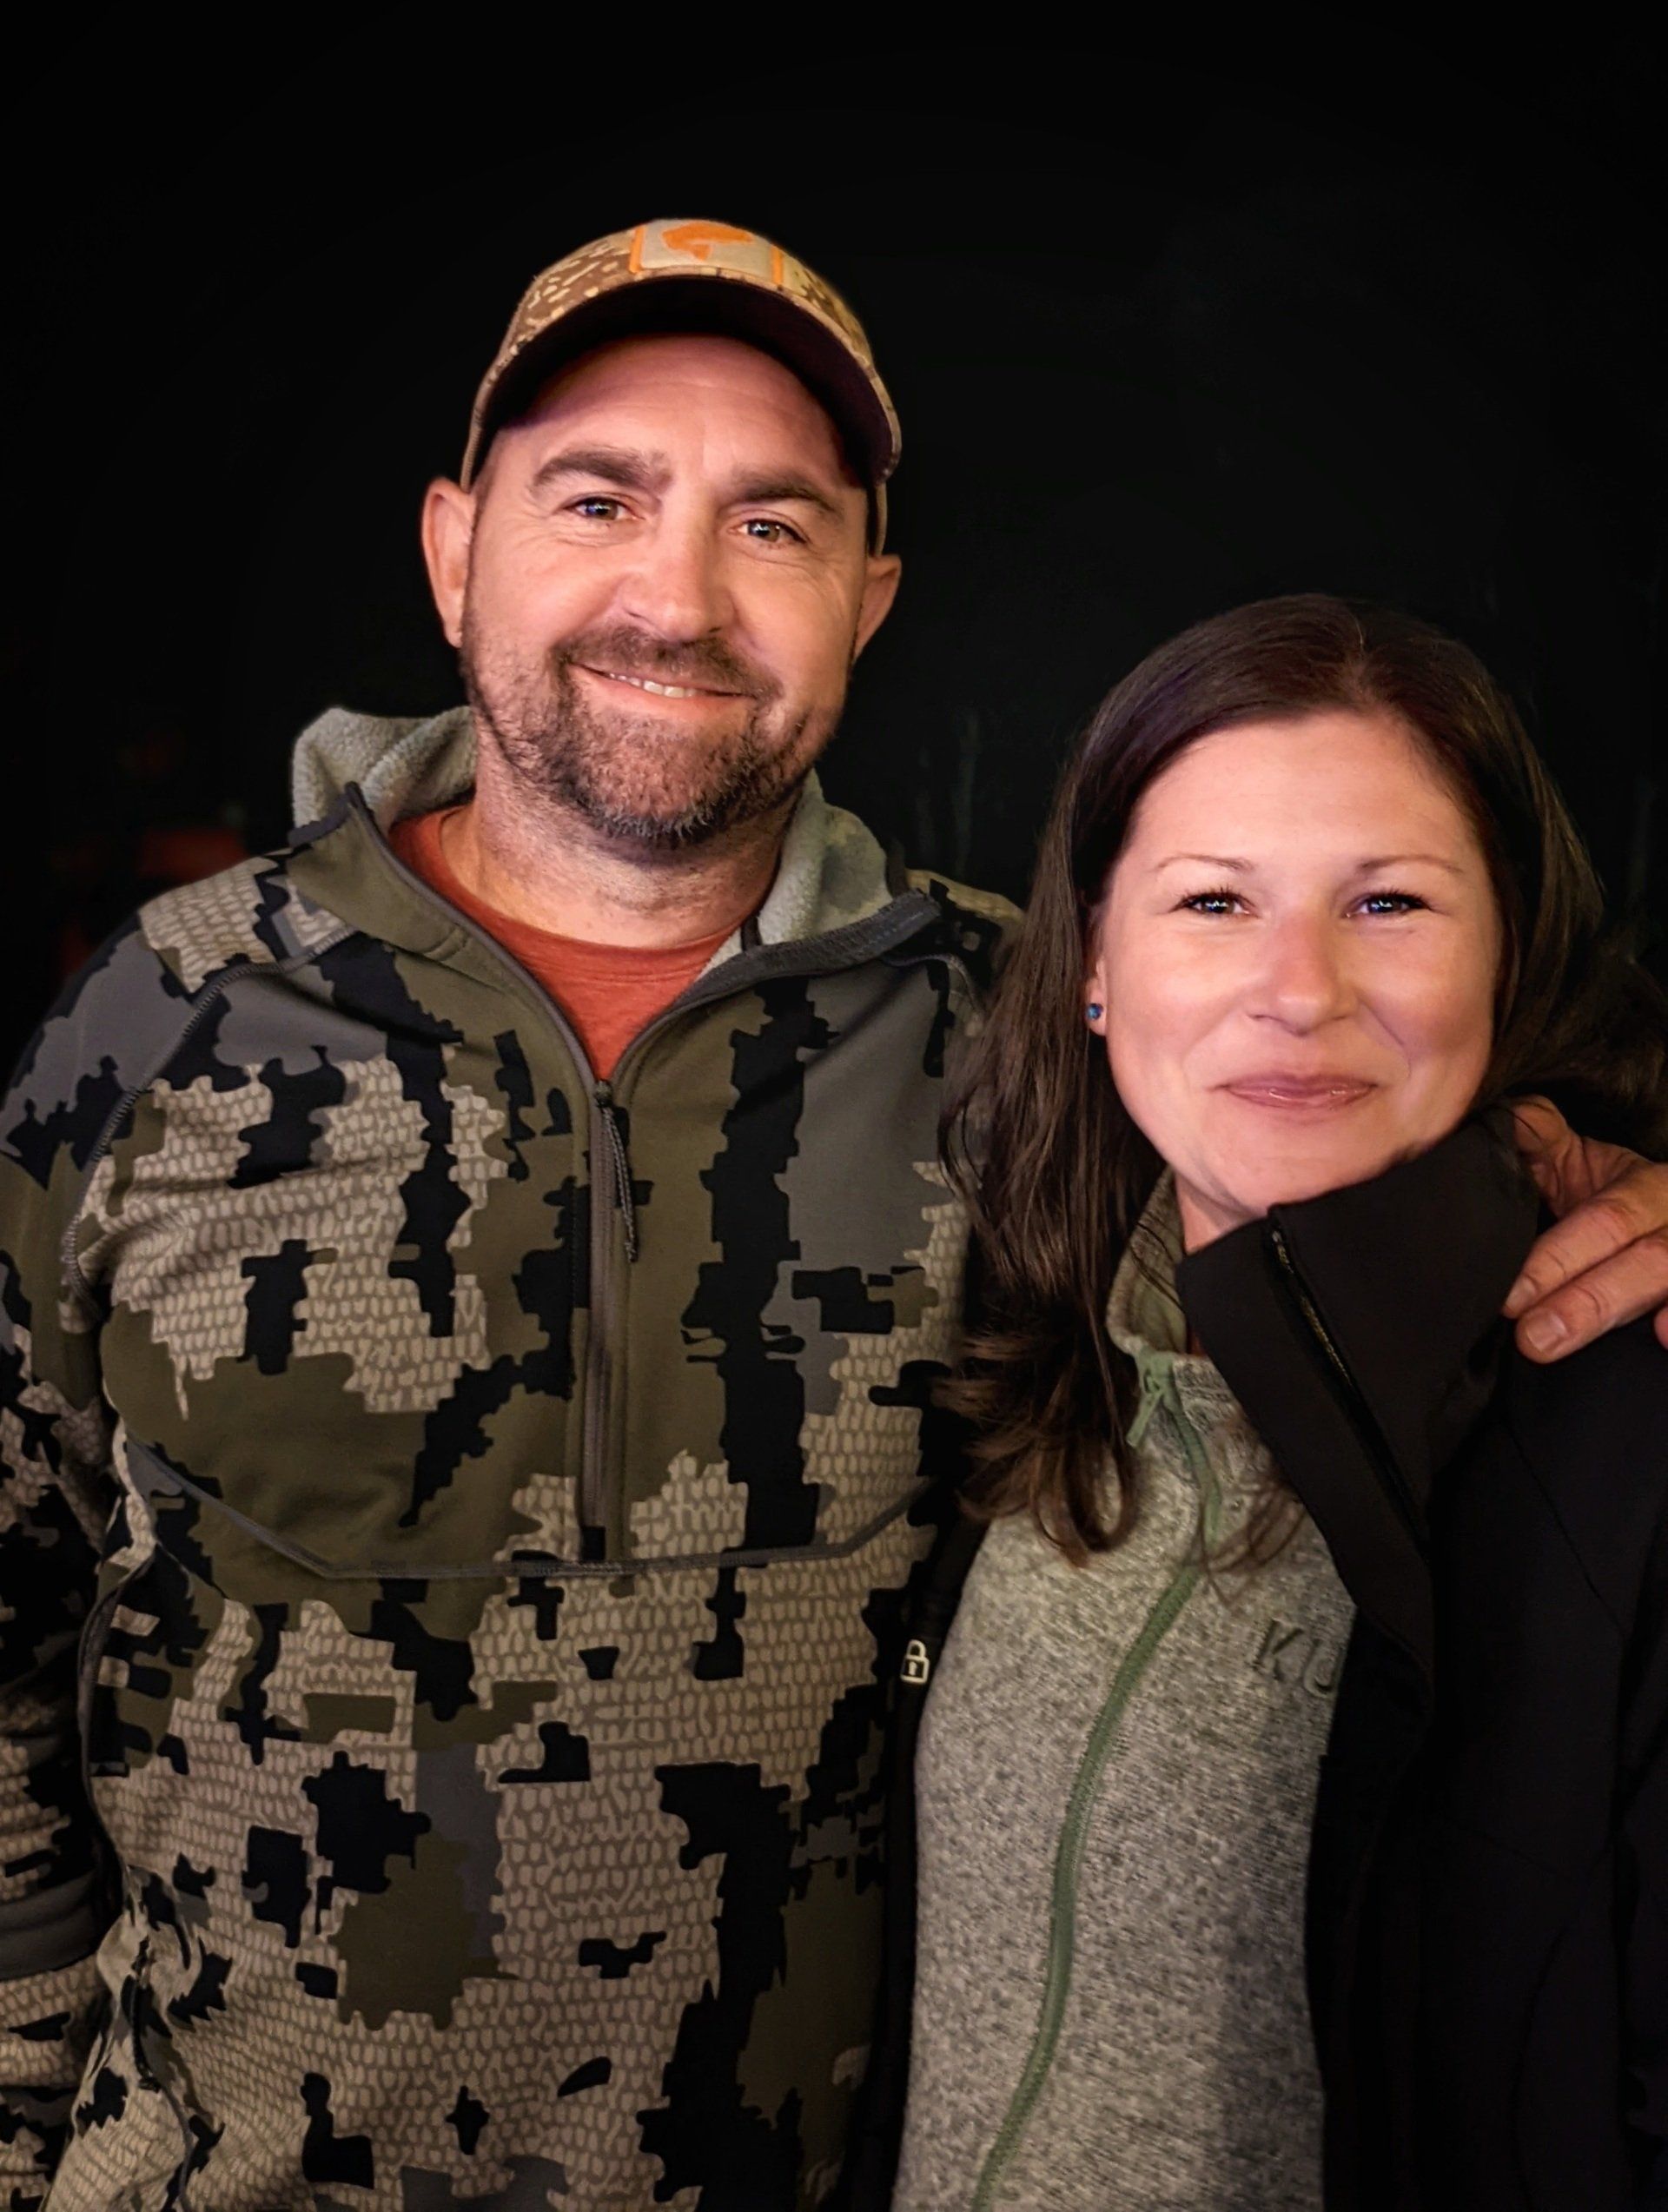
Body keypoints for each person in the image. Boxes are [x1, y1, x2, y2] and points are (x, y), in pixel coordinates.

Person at [0, 223, 1661, 2211]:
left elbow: (1349, 1100)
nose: (677, 594)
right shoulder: (158, 1019)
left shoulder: (1017, 1041)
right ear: (455, 552)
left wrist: (1626, 1170)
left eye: (772, 525)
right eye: (597, 497)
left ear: (867, 599)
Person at [870, 596, 1668, 2211]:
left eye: (1390, 901)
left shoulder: (1627, 1442)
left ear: (1509, 949)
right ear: (1097, 965)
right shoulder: (1025, 1352)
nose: (1298, 988)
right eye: (1214, 899)